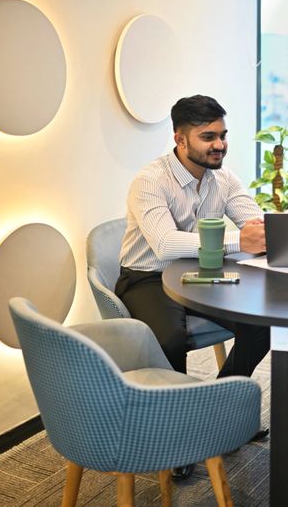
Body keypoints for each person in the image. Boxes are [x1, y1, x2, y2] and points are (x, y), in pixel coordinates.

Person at [116, 95, 271, 478]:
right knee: (170, 338)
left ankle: (214, 417)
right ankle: (178, 439)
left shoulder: (224, 178)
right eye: (208, 137)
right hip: (149, 275)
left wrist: (266, 231)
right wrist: (240, 242)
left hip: (203, 271)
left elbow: (255, 224)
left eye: (222, 135)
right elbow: (166, 244)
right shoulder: (150, 181)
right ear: (180, 140)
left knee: (260, 326)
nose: (219, 145)